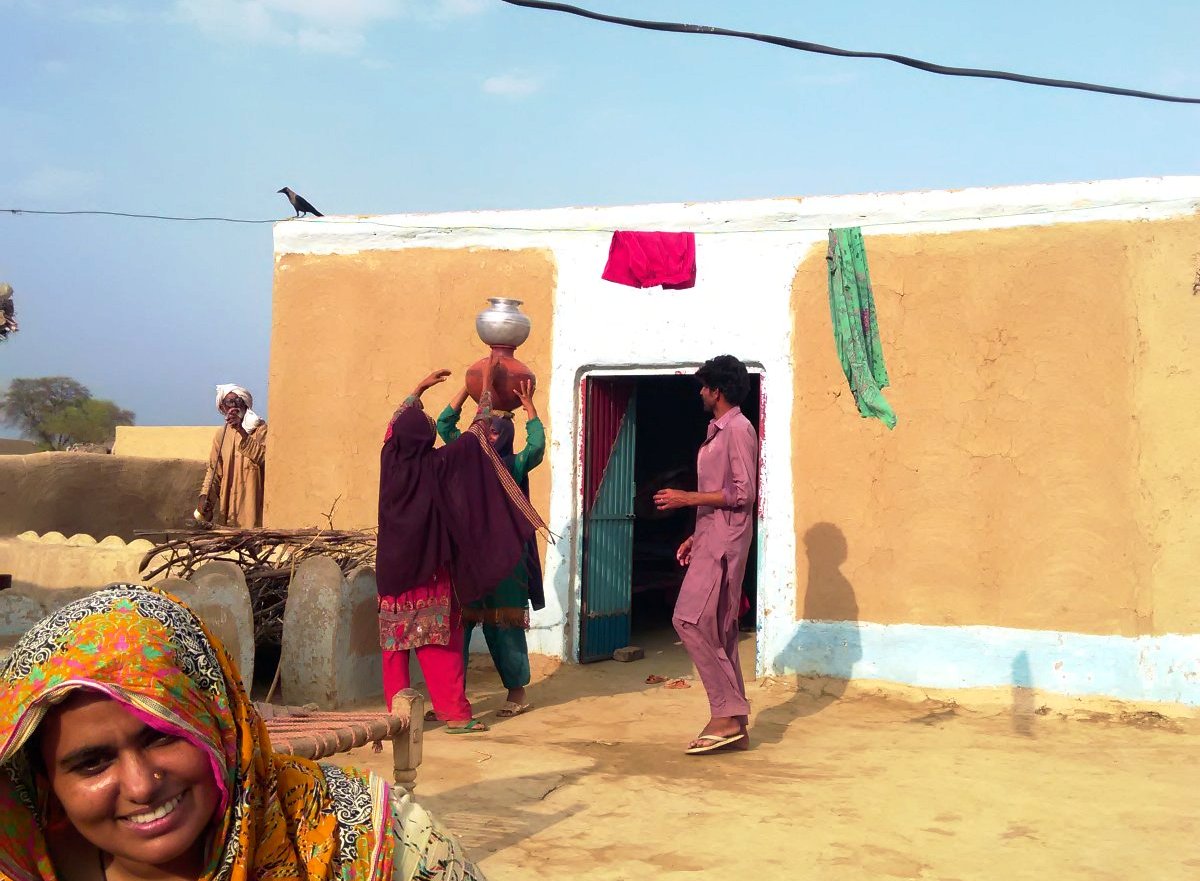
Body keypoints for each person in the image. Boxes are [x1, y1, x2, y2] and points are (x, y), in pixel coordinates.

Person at [0, 583, 486, 880]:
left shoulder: (372, 838)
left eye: (163, 734)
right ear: (43, 781)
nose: (142, 785)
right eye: (92, 762)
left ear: (221, 723)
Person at [376, 368, 546, 734]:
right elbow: (476, 432)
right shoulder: (438, 465)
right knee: (443, 645)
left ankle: (397, 716)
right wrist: (483, 389)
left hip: (391, 573)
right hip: (429, 571)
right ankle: (454, 714)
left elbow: (395, 428)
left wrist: (417, 388)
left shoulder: (390, 462)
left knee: (395, 648)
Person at [654, 355, 758, 755]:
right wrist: (696, 536)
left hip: (727, 544)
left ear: (718, 390)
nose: (700, 392)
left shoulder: (739, 430)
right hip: (712, 539)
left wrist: (686, 498)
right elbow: (721, 497)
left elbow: (743, 493)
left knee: (689, 621)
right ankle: (736, 725)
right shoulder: (717, 430)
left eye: (704, 386)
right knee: (718, 628)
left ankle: (725, 713)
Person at [437, 379, 545, 717]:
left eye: (495, 433)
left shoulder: (513, 466)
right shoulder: (466, 458)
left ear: (506, 436)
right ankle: (452, 700)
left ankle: (517, 694)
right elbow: (444, 424)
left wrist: (529, 409)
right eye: (485, 430)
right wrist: (465, 393)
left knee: (504, 627)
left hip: (506, 561)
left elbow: (537, 447)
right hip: (468, 558)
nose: (487, 435)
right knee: (459, 629)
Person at [197, 384, 267, 528]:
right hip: (229, 509)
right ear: (223, 408)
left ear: (245, 404)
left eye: (238, 401)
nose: (234, 406)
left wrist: (241, 431)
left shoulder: (260, 430)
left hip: (253, 504)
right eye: (229, 402)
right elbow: (214, 471)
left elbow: (264, 459)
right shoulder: (221, 436)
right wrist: (205, 496)